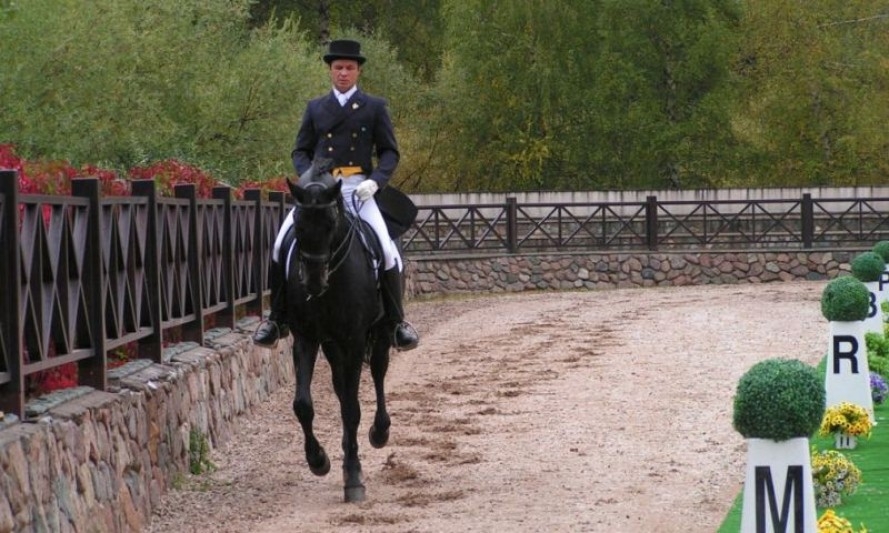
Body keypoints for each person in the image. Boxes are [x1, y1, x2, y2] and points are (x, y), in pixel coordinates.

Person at [253, 39, 420, 351]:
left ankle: (397, 324)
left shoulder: (374, 107)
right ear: (331, 70)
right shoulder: (315, 107)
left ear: (358, 72)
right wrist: (310, 178)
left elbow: (389, 152)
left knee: (387, 250)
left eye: (349, 68)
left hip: (358, 189)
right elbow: (300, 150)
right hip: (320, 191)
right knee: (279, 245)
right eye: (339, 67)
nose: (344, 73)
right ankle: (276, 319)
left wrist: (376, 182)